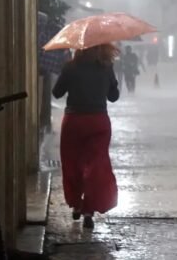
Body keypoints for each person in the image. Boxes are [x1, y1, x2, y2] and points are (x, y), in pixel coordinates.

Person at [52, 43, 120, 229]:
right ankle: (89, 210)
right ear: (100, 48)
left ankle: (76, 203)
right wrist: (111, 82)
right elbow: (113, 96)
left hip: (74, 121)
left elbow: (56, 93)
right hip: (98, 122)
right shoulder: (106, 67)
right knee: (96, 165)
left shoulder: (70, 67)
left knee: (73, 163)